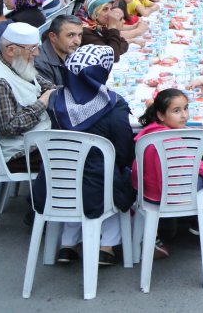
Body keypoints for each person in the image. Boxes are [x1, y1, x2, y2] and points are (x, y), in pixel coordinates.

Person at [34, 44, 135, 266]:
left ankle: (68, 244)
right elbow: (124, 148)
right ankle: (106, 245)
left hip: (54, 183)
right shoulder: (114, 104)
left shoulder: (53, 99)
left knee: (76, 171)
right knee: (115, 173)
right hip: (97, 187)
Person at [134, 88, 203, 257]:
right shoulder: (170, 138)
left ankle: (167, 227)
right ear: (161, 115)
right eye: (176, 111)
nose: (184, 115)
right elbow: (191, 161)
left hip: (147, 194)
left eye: (186, 108)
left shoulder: (149, 132)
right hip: (166, 196)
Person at [0, 22, 55, 171]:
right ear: (11, 50)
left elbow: (48, 87)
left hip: (38, 138)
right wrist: (43, 102)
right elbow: (9, 127)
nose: (37, 53)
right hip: (20, 153)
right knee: (86, 156)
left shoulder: (19, 64)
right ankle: (41, 194)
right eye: (32, 48)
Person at [36, 14, 84, 86]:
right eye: (70, 35)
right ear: (53, 37)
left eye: (80, 35)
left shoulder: (73, 54)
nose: (77, 42)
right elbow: (52, 95)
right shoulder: (40, 63)